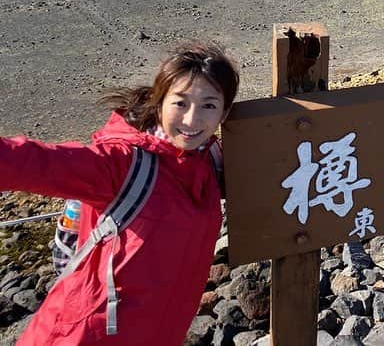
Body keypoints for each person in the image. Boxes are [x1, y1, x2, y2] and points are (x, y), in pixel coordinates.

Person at [0, 41, 239, 345]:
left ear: (224, 112)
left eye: (208, 105)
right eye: (180, 103)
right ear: (160, 101)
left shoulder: (207, 161)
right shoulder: (121, 164)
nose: (192, 120)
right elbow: (34, 162)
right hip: (82, 336)